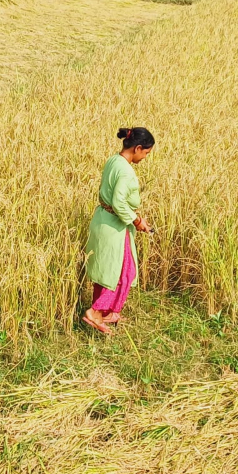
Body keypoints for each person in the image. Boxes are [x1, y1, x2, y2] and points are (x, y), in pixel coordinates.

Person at [82, 127, 155, 334]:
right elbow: (119, 202)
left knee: (106, 270)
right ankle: (95, 312)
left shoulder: (114, 160)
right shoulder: (126, 171)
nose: (146, 157)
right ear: (138, 148)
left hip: (102, 220)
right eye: (146, 153)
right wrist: (137, 221)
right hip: (115, 226)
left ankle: (107, 312)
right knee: (122, 271)